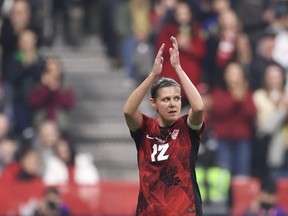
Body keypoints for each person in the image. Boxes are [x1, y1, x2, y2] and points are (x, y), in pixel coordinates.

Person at [123, 36, 205, 215]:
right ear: (153, 103)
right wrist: (152, 75)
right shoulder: (145, 129)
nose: (173, 104)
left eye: (176, 98)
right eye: (166, 99)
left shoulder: (187, 129)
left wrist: (178, 68)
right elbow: (129, 111)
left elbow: (198, 107)